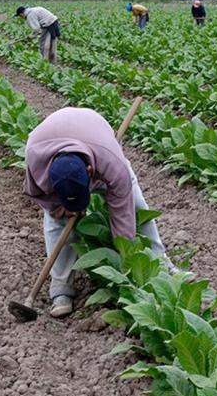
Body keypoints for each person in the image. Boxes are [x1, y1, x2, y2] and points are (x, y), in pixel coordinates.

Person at [24, 107, 175, 317]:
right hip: (51, 140)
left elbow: (122, 214)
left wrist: (127, 258)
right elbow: (37, 194)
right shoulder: (35, 158)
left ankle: (162, 264)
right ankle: (60, 289)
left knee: (137, 206)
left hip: (95, 135)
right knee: (55, 222)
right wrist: (59, 208)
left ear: (89, 173)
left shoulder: (110, 161)